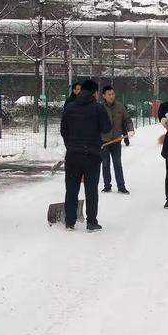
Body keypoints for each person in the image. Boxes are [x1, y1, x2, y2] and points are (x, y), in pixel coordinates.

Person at [60, 79, 111, 231]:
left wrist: (70, 145)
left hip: (73, 155)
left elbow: (64, 131)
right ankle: (91, 222)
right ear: (95, 92)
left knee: (71, 189)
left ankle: (70, 222)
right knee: (91, 189)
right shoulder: (98, 108)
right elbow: (107, 128)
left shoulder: (69, 107)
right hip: (92, 155)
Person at [100, 85, 134, 194]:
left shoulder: (120, 107)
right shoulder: (99, 108)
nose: (111, 96)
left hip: (116, 140)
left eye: (113, 94)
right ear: (104, 96)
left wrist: (130, 130)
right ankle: (107, 186)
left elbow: (127, 120)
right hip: (104, 141)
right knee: (105, 164)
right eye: (109, 94)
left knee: (117, 164)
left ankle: (121, 186)